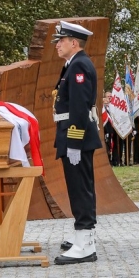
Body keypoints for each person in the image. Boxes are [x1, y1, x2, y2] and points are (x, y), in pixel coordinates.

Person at [52, 21, 102, 265]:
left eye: (61, 41)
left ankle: (84, 245)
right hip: (75, 135)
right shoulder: (73, 64)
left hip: (76, 136)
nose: (57, 45)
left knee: (80, 189)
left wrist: (73, 141)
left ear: (74, 42)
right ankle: (85, 236)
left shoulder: (79, 65)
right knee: (81, 188)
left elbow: (79, 108)